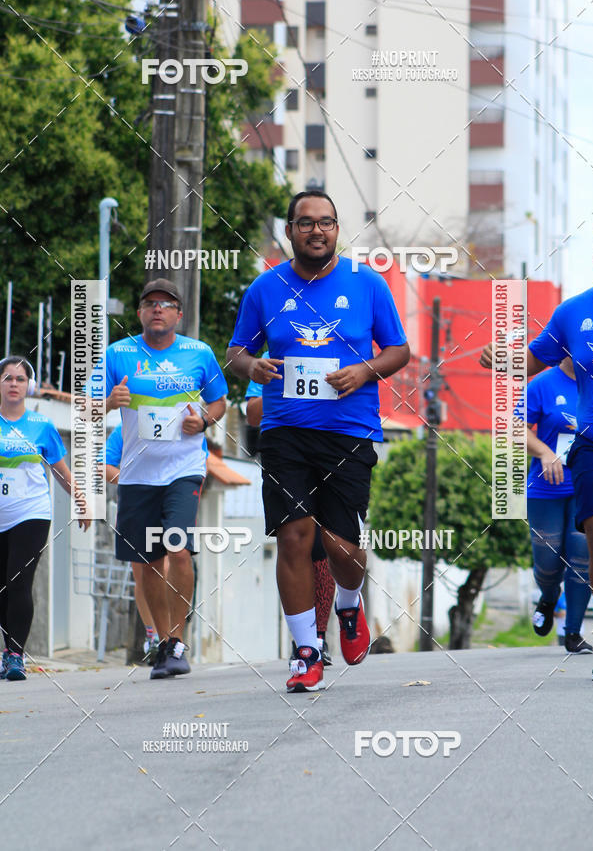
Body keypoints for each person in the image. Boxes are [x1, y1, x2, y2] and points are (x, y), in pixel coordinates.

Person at [227, 190, 410, 692]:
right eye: (305, 223)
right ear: (290, 231)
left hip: (348, 430)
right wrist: (253, 366)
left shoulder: (366, 283)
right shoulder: (265, 289)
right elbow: (236, 352)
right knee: (294, 536)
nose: (316, 230)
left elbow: (399, 350)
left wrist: (363, 371)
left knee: (340, 546)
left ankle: (349, 607)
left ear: (336, 230)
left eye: (326, 222)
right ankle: (306, 650)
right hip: (284, 430)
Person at [480, 230, 593, 678]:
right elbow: (528, 363)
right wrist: (500, 357)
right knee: (564, 555)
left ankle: (572, 629)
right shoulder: (572, 315)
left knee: (585, 555)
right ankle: (553, 604)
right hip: (572, 466)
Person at [103, 278, 227, 680]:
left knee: (177, 549)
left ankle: (177, 641)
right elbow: (86, 408)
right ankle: (163, 643)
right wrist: (109, 402)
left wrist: (204, 420)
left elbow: (220, 401)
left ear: (178, 314)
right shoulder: (117, 354)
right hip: (137, 473)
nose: (158, 309)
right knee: (149, 562)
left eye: (166, 304)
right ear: (139, 313)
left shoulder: (199, 353)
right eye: (150, 303)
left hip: (184, 467)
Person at [0, 356, 90, 681]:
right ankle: (7, 652)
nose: (13, 384)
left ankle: (15, 656)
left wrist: (81, 501)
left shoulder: (41, 425)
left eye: (20, 379)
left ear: (29, 386)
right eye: (7, 378)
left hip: (31, 513)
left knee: (18, 581)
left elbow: (60, 471)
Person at [245, 373, 335, 665]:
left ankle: (319, 636)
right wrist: (278, 388)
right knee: (295, 543)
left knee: (326, 547)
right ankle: (306, 642)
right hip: (285, 455)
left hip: (331, 450)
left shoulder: (336, 348)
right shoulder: (271, 358)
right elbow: (252, 415)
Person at [518, 357, 592, 652]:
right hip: (545, 488)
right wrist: (545, 452)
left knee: (582, 560)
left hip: (587, 487)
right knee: (548, 564)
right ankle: (549, 597)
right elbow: (517, 428)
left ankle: (573, 633)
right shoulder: (543, 384)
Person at [104, 425, 165, 663]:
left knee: (166, 568)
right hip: (136, 504)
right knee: (141, 572)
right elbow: (105, 466)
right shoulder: (123, 429)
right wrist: (131, 482)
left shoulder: (177, 416)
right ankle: (152, 635)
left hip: (168, 501)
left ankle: (168, 636)